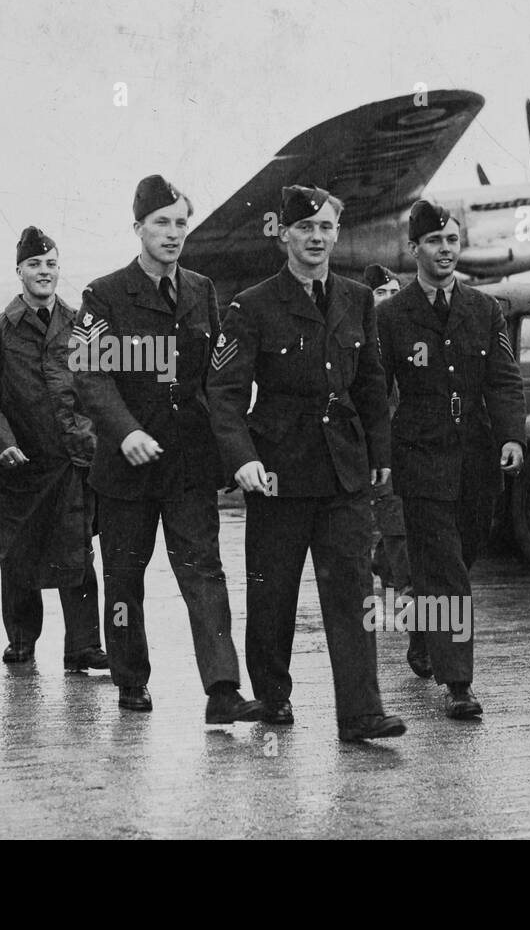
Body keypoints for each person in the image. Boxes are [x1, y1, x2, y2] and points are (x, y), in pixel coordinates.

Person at [207, 188, 405, 741]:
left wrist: (380, 457)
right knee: (274, 593)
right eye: (305, 229)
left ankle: (361, 712)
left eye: (326, 227)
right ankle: (272, 697)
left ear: (337, 233)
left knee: (352, 591)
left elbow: (370, 385)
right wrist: (243, 459)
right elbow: (223, 393)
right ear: (284, 235)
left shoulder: (358, 299)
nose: (316, 238)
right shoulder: (251, 305)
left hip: (344, 469)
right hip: (278, 473)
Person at [73, 174, 263, 723]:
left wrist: (232, 452)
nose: (174, 233)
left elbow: (216, 382)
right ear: (138, 229)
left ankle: (223, 690)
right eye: (161, 223)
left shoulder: (202, 290)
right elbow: (88, 375)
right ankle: (131, 679)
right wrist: (125, 430)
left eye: (181, 222)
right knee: (124, 578)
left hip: (188, 464)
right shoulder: (103, 295)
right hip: (126, 469)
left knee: (204, 572)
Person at [376, 199, 526, 719]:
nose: (445, 250)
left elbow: (503, 379)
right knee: (448, 573)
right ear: (414, 248)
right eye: (435, 242)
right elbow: (378, 393)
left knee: (464, 556)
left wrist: (512, 437)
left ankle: (423, 626)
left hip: (477, 457)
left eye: (452, 241)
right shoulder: (391, 316)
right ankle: (459, 682)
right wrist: (381, 456)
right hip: (420, 458)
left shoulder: (485, 310)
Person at [0, 226, 109, 671]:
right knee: (18, 554)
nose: (44, 272)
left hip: (72, 459)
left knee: (78, 552)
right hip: (20, 464)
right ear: (19, 271)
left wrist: (89, 438)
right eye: (34, 264)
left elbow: (100, 388)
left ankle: (84, 646)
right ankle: (21, 640)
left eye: (51, 264)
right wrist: (2, 444)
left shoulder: (82, 326)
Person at [362, 265, 411, 601]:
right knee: (391, 518)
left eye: (394, 293)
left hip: (406, 442)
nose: (389, 300)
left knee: (399, 517)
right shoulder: (359, 338)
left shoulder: (408, 334)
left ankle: (386, 569)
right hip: (374, 444)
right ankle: (399, 583)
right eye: (381, 293)